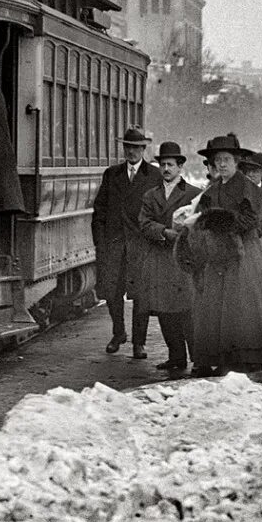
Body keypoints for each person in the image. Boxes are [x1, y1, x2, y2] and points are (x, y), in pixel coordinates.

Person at [190, 135, 262, 375]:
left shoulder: (247, 188)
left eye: (227, 159)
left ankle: (241, 357)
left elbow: (251, 220)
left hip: (242, 251)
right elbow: (205, 213)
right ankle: (218, 355)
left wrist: (222, 223)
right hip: (218, 251)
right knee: (215, 304)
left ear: (236, 161)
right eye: (217, 160)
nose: (222, 164)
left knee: (240, 304)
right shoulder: (214, 188)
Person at [91, 126, 161, 358]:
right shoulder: (112, 174)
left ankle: (138, 343)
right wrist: (100, 242)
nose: (131, 152)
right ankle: (118, 332)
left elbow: (159, 212)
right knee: (112, 291)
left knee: (140, 295)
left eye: (136, 148)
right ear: (123, 148)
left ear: (143, 149)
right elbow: (99, 210)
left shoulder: (154, 176)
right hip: (114, 244)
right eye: (128, 147)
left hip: (141, 246)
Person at [135, 141, 200, 374]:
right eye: (162, 164)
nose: (165, 169)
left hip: (183, 259)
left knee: (187, 312)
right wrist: (164, 232)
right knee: (164, 311)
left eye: (170, 164)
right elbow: (143, 223)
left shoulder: (193, 193)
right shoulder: (151, 195)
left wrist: (183, 234)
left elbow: (200, 223)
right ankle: (176, 357)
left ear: (180, 166)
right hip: (160, 258)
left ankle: (198, 358)